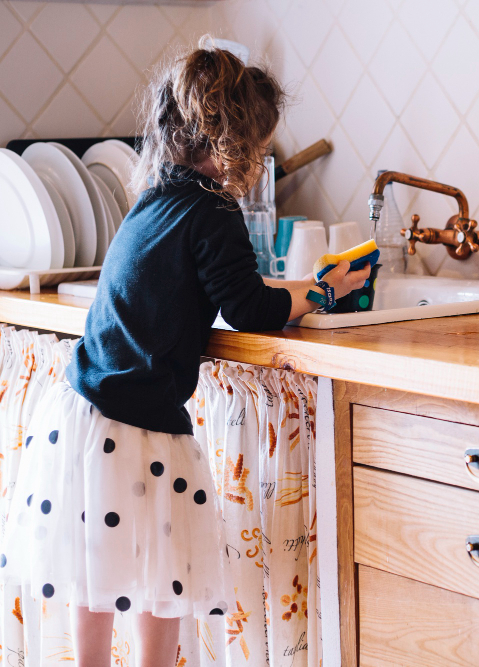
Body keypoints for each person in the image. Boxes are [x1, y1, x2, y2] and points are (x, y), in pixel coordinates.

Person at [0, 46, 369, 666]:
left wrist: (299, 288)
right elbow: (248, 307)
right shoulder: (215, 211)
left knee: (94, 571)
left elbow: (221, 288)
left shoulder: (154, 200)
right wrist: (322, 291)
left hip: (84, 411)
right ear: (238, 143)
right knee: (164, 575)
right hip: (135, 426)